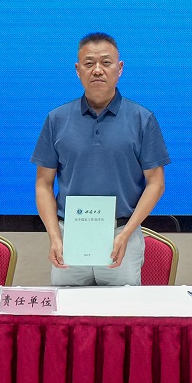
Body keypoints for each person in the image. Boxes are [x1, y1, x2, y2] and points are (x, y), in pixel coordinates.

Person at [31, 32, 170, 285]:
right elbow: (43, 184)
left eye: (106, 62)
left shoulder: (142, 119)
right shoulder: (56, 119)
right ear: (77, 70)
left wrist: (127, 233)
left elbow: (156, 183)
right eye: (89, 63)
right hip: (69, 235)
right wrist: (54, 236)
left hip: (121, 233)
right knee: (68, 309)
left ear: (120, 68)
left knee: (120, 309)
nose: (97, 70)